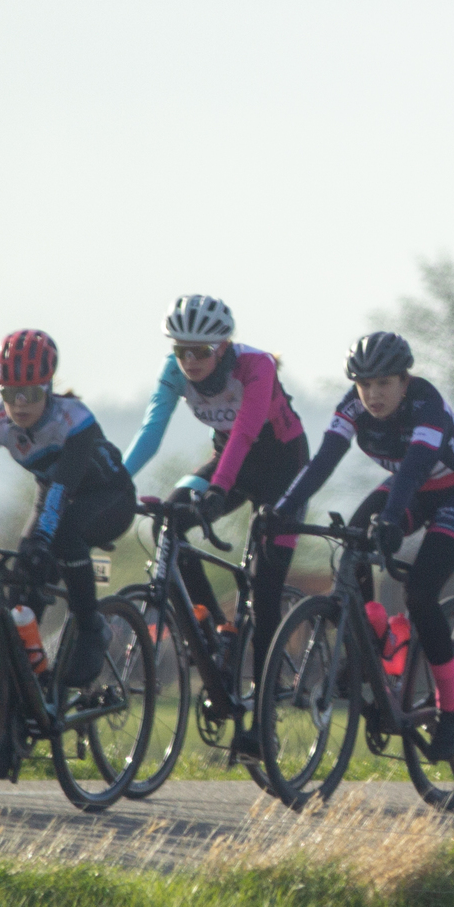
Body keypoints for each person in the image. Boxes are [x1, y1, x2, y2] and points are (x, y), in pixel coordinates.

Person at [271, 331, 454, 765]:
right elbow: (322, 462)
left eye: (383, 384)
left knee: (422, 594)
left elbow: (413, 471)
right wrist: (282, 509)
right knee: (354, 537)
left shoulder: (427, 405)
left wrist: (391, 520)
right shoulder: (352, 408)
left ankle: (450, 707)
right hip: (413, 486)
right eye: (364, 385)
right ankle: (374, 642)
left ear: (405, 381)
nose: (372, 395)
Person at [120, 295, 308, 709]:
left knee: (264, 584)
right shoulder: (174, 372)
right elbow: (151, 431)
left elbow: (243, 434)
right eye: (180, 349)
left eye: (200, 351)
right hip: (227, 461)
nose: (189, 360)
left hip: (282, 468)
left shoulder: (256, 367)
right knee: (167, 522)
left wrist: (219, 491)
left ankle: (264, 704)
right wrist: (114, 483)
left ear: (222, 347)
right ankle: (212, 630)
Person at [0, 329, 137, 695]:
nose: (22, 403)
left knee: (64, 535)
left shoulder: (74, 419)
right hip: (52, 496)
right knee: (20, 594)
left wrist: (43, 538)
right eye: (11, 394)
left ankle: (91, 626)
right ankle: (32, 694)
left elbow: (63, 487)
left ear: (50, 388)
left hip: (108, 495)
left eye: (33, 393)